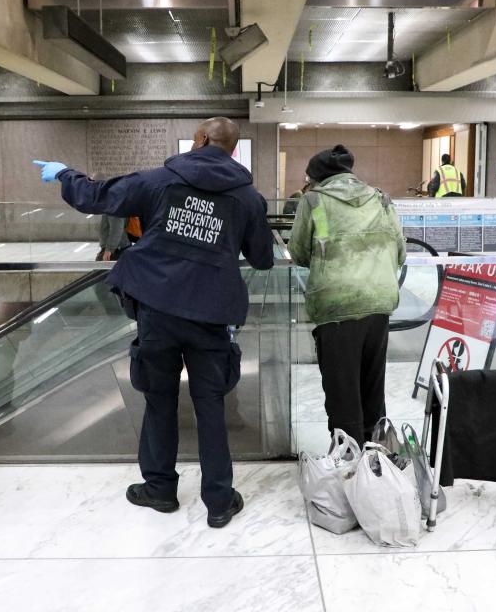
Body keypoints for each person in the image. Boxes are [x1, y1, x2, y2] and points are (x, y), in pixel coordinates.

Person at [33, 117, 273, 528]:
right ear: (233, 151)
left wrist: (66, 174)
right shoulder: (248, 198)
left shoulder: (160, 180)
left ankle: (160, 489)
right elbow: (263, 259)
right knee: (211, 405)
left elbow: (97, 197)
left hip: (157, 310)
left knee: (159, 399)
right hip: (211, 316)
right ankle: (218, 501)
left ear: (199, 140)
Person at [288, 144, 405, 444]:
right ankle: (375, 458)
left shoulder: (313, 201)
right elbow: (401, 253)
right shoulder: (381, 199)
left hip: (336, 306)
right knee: (371, 388)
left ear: (317, 177)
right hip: (379, 304)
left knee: (342, 391)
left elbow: (298, 252)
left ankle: (349, 463)